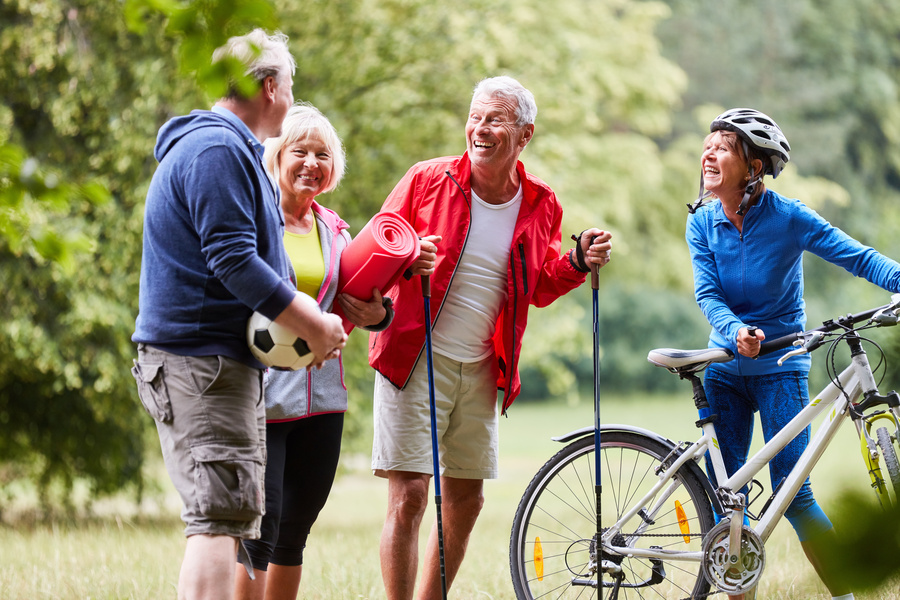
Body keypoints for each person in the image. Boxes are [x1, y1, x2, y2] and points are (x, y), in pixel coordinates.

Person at [369, 75, 614, 599]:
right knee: (410, 494)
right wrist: (410, 260)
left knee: (465, 499)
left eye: (494, 119)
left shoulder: (542, 204)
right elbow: (376, 248)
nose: (479, 128)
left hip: (484, 366)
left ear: (524, 135)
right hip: (415, 355)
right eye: (475, 116)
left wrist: (575, 260)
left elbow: (538, 284)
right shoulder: (426, 179)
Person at [131, 31, 347, 600]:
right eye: (290, 87)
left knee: (224, 519)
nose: (290, 97)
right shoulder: (217, 151)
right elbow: (232, 259)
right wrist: (312, 321)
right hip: (201, 366)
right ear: (269, 87)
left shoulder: (231, 150)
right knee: (216, 520)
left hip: (220, 367)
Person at [686, 107, 900, 600]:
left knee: (794, 494)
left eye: (723, 146)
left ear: (754, 166)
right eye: (708, 143)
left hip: (781, 367)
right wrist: (734, 329)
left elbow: (858, 255)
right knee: (728, 502)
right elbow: (708, 295)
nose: (708, 152)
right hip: (723, 370)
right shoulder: (702, 225)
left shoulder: (789, 217)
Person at [232, 103, 430, 600]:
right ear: (276, 155)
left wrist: (378, 315)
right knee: (262, 523)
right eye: (299, 151)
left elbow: (370, 305)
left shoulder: (337, 230)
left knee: (296, 527)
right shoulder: (252, 221)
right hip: (261, 396)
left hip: (322, 401)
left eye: (322, 154)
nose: (310, 163)